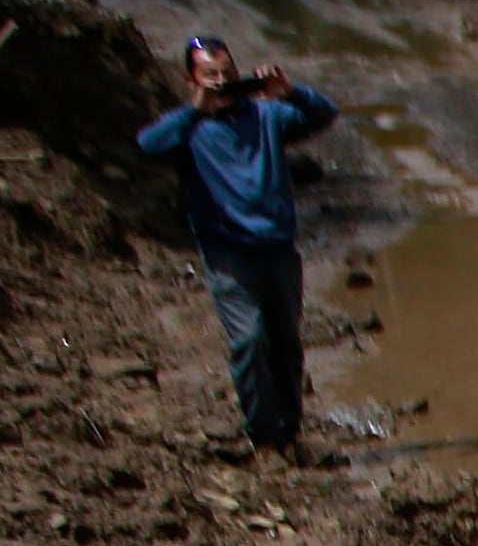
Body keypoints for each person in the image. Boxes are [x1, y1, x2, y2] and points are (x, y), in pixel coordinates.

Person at [133, 33, 340, 455]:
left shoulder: (266, 116)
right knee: (249, 338)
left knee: (284, 340)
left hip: (279, 248)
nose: (222, 82)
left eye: (227, 74)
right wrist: (195, 110)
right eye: (211, 76)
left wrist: (291, 91)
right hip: (229, 253)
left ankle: (289, 428)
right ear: (192, 80)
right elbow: (147, 145)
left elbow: (324, 113)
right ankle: (263, 434)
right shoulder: (189, 129)